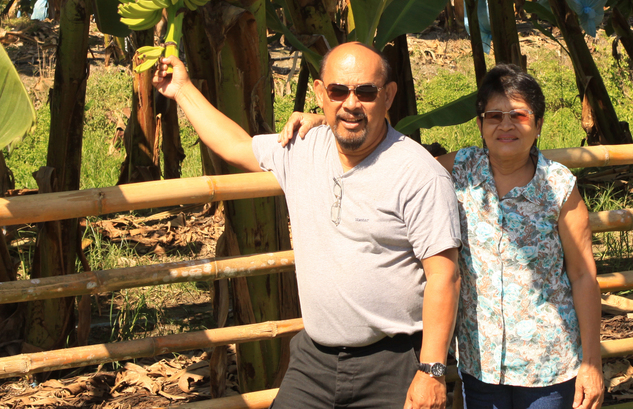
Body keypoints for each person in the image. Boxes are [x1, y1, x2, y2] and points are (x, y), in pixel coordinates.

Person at [153, 42, 461, 409]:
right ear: (319, 93)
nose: (351, 104)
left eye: (365, 92)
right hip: (313, 362)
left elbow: (444, 277)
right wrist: (182, 90)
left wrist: (431, 370)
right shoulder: (302, 147)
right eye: (338, 91)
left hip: (394, 364)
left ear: (389, 95)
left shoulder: (418, 174)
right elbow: (235, 144)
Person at [283, 63, 604, 409]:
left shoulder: (559, 186)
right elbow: (395, 158)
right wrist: (330, 124)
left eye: (520, 116)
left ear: (538, 124)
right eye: (494, 116)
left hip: (551, 365)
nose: (506, 125)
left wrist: (592, 363)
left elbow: (583, 276)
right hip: (479, 364)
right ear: (480, 124)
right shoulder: (459, 169)